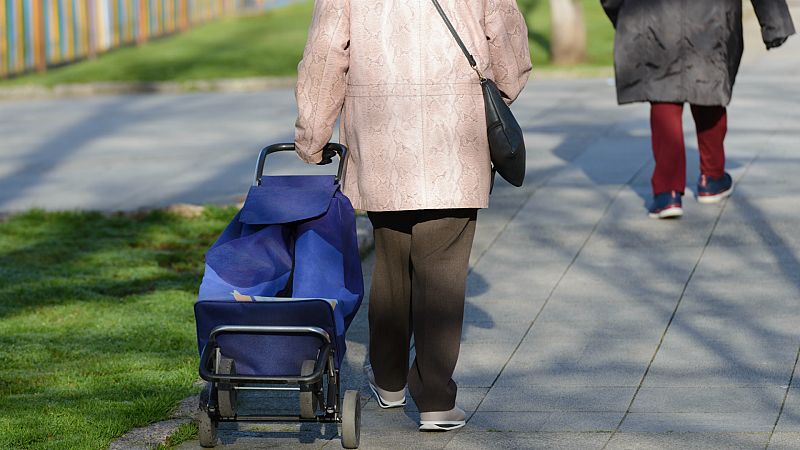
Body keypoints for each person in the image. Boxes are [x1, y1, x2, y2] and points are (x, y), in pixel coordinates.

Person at [294, 0, 531, 431]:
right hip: (455, 131)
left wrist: (312, 134)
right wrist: (502, 90)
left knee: (391, 261)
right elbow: (506, 33)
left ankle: (389, 380)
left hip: (381, 133)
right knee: (443, 272)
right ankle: (436, 399)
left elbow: (326, 50)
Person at [601, 0, 795, 219]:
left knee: (663, 93)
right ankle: (712, 177)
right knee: (708, 83)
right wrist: (774, 22)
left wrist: (623, 13)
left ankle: (667, 193)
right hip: (712, 15)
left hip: (657, 15)